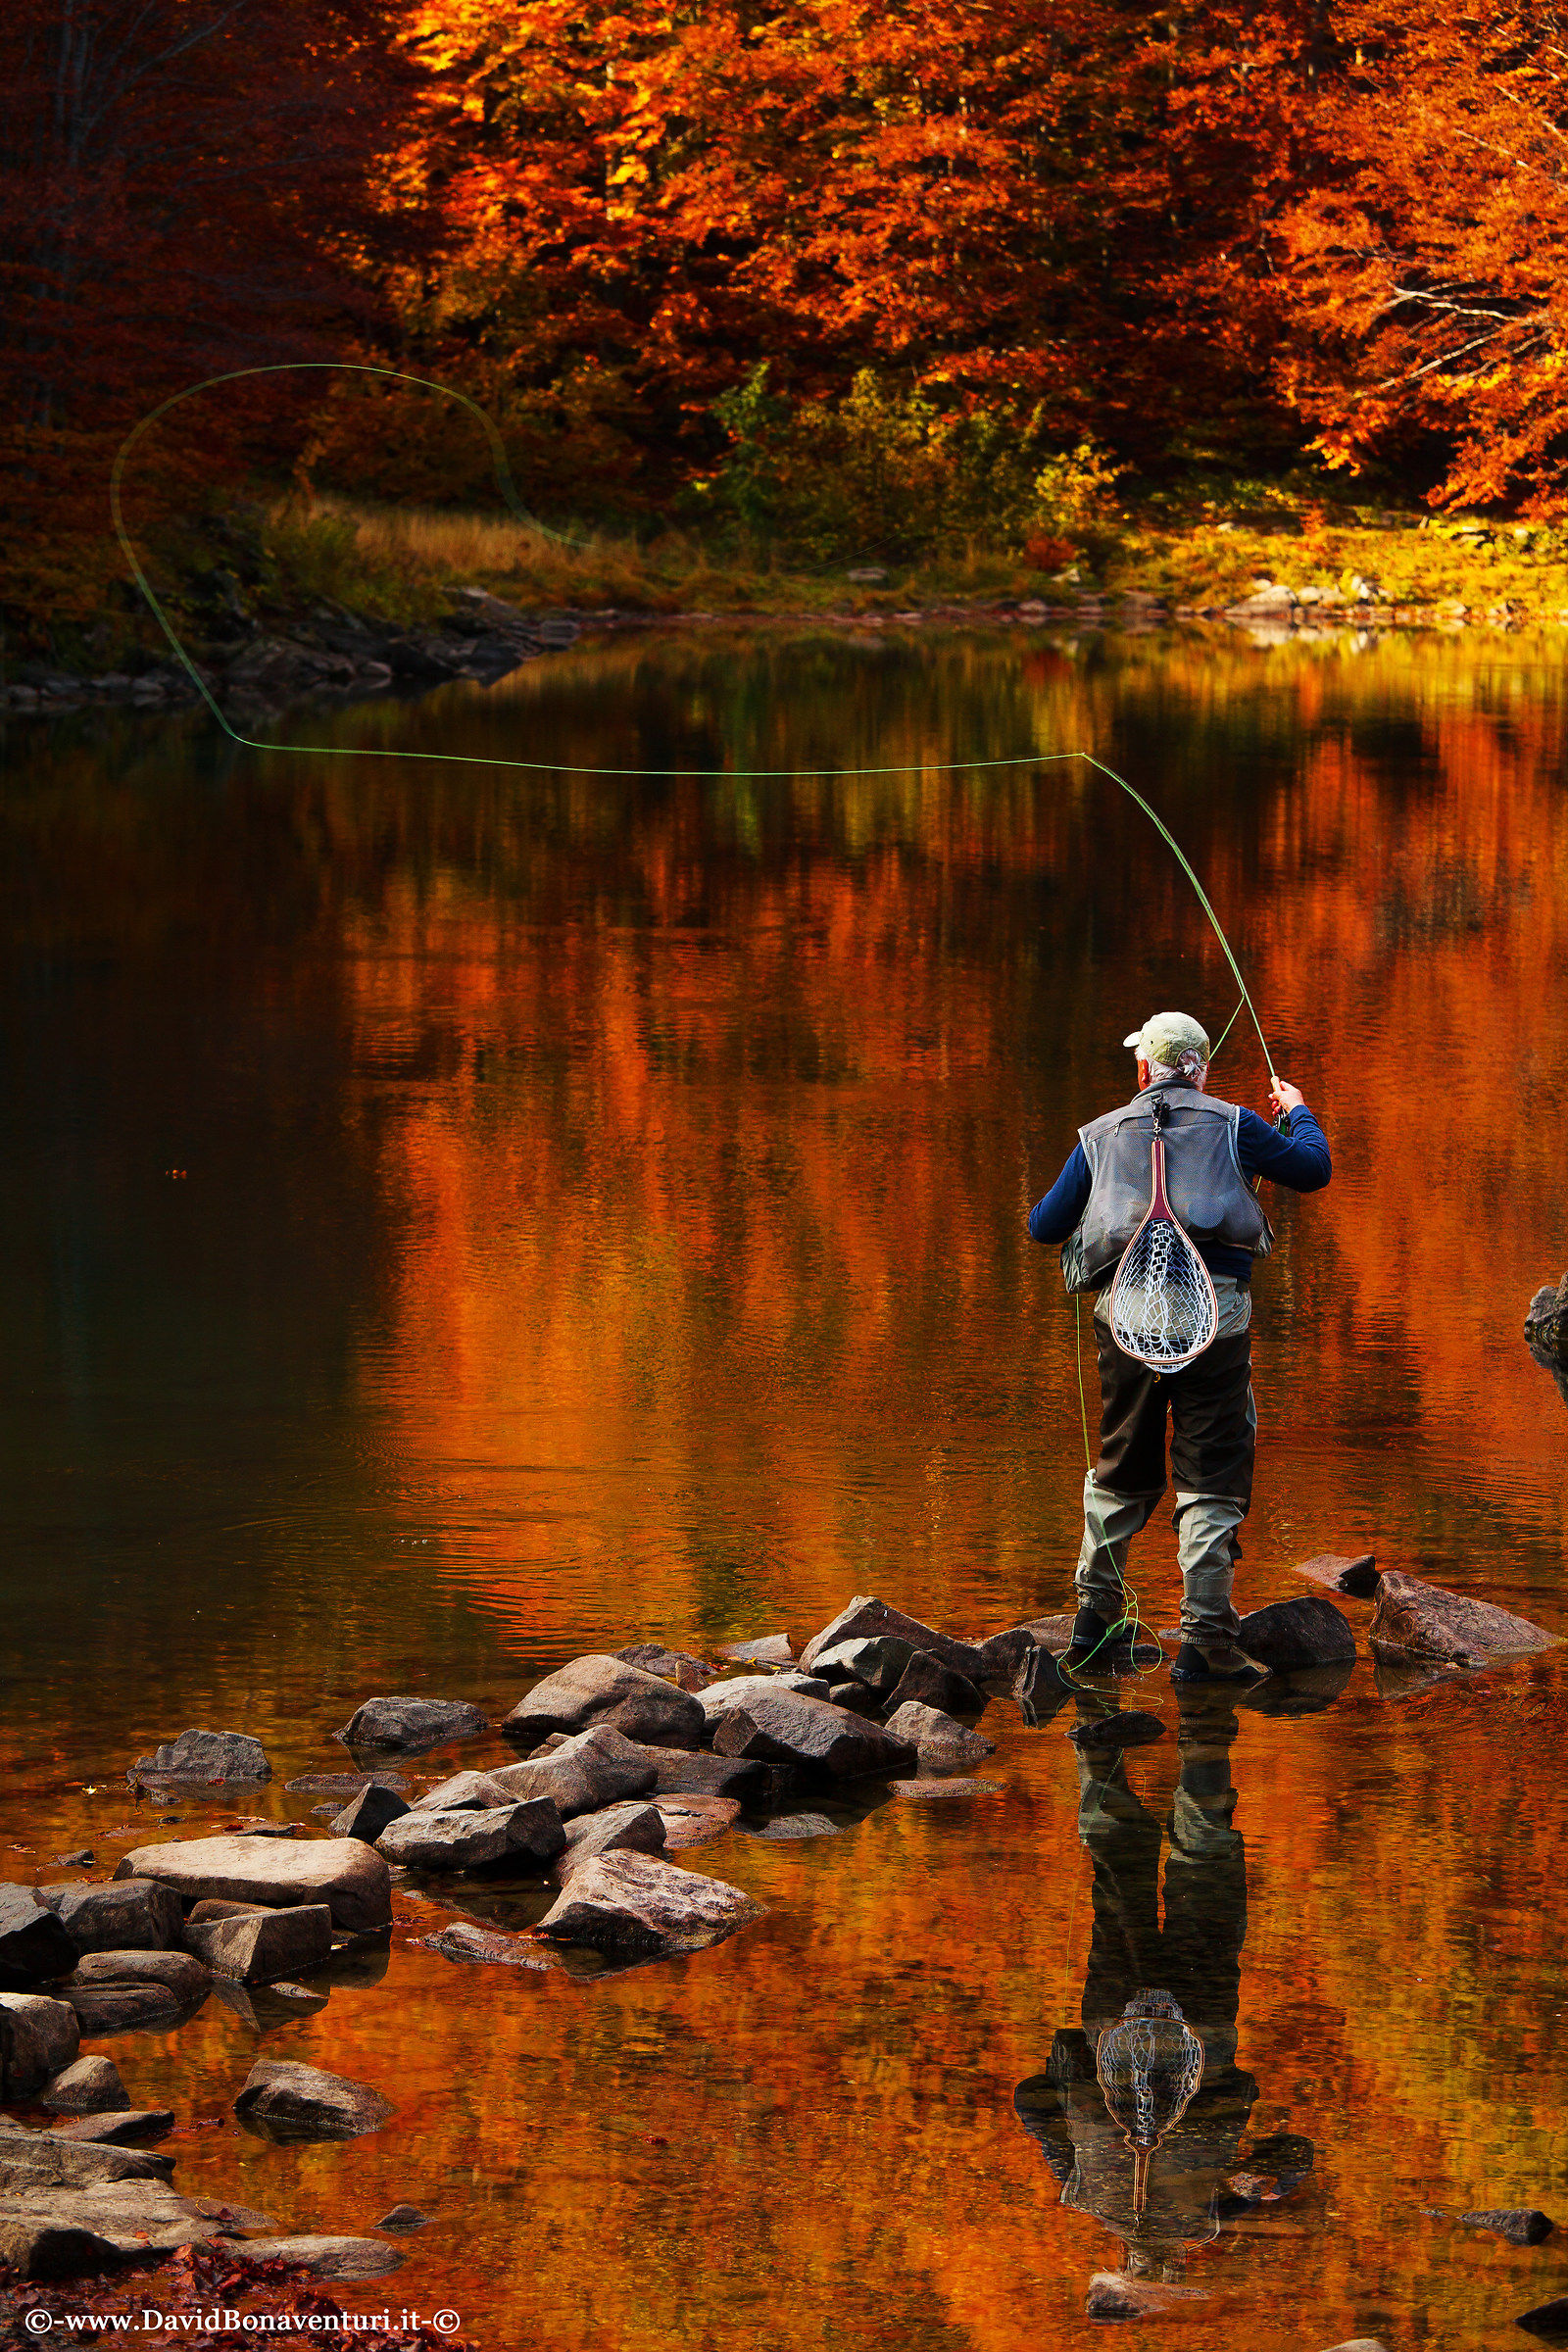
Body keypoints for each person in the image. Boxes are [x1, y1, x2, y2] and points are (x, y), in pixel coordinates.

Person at [1027, 1011, 1331, 1683]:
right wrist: (1299, 1113)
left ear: (1145, 1070)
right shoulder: (1238, 1124)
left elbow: (1043, 1226)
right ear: (1202, 1069)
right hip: (1217, 1323)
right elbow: (1313, 1169)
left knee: (1119, 1468)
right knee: (1212, 1474)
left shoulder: (1100, 1134)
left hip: (1126, 1321)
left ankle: (1092, 1627)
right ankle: (1203, 1646)